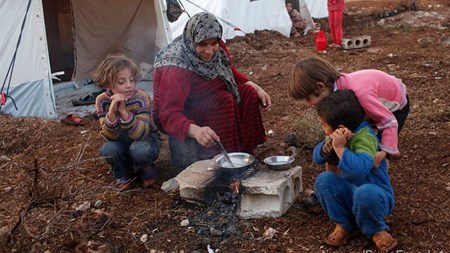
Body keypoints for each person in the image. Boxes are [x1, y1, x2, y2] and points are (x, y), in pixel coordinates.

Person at [152, 12, 271, 164]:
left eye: (213, 43)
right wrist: (196, 131)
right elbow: (167, 114)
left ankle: (246, 154)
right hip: (180, 112)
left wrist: (255, 87)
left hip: (207, 98)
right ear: (192, 39)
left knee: (247, 93)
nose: (209, 51)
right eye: (202, 44)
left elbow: (230, 72)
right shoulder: (176, 67)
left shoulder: (218, 47)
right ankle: (222, 159)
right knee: (223, 99)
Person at [313, 89, 398, 252]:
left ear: (340, 127)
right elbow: (317, 157)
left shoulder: (365, 137)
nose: (323, 129)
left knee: (364, 193)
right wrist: (327, 147)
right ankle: (345, 224)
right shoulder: (336, 135)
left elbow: (358, 170)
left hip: (375, 196)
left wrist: (340, 148)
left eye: (324, 125)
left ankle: (376, 229)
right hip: (350, 194)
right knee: (324, 180)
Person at [288, 55, 410, 167]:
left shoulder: (361, 95)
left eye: (308, 98)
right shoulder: (334, 93)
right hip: (368, 105)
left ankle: (382, 185)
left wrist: (384, 153)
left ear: (321, 87)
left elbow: (389, 121)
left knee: (376, 151)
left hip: (395, 105)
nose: (309, 104)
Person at [94, 54, 161, 191]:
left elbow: (141, 134)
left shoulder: (141, 97)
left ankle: (145, 166)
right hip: (120, 140)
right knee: (108, 149)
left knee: (140, 150)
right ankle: (122, 172)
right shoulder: (102, 101)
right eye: (121, 82)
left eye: (131, 80)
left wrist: (124, 112)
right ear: (108, 83)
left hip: (145, 139)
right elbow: (109, 136)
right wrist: (112, 113)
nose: (129, 85)